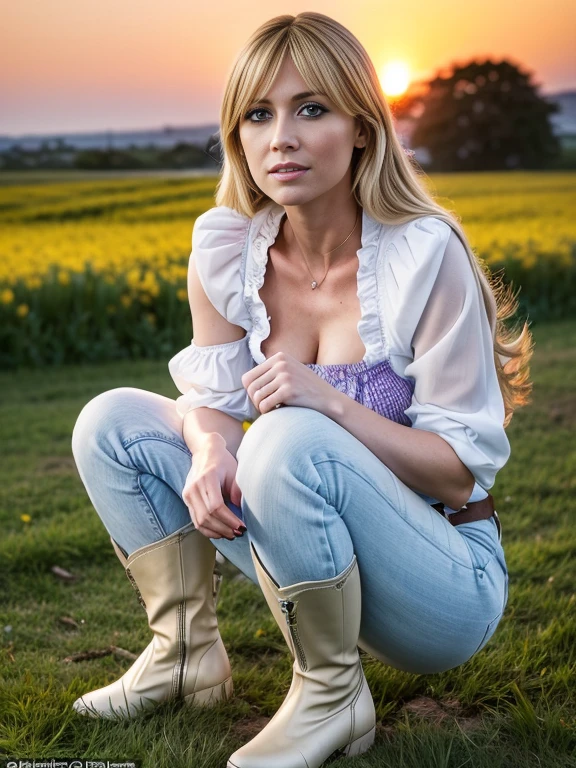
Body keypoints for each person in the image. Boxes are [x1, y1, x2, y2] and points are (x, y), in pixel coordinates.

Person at [70, 11, 534, 768]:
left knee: (284, 433)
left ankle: (331, 693)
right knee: (111, 421)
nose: (280, 136)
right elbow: (216, 404)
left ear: (360, 127)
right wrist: (206, 449)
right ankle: (184, 651)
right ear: (238, 137)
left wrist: (329, 402)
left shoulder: (424, 254)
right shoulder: (227, 250)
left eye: (310, 108)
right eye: (259, 114)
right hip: (308, 547)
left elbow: (459, 470)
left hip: (444, 576)